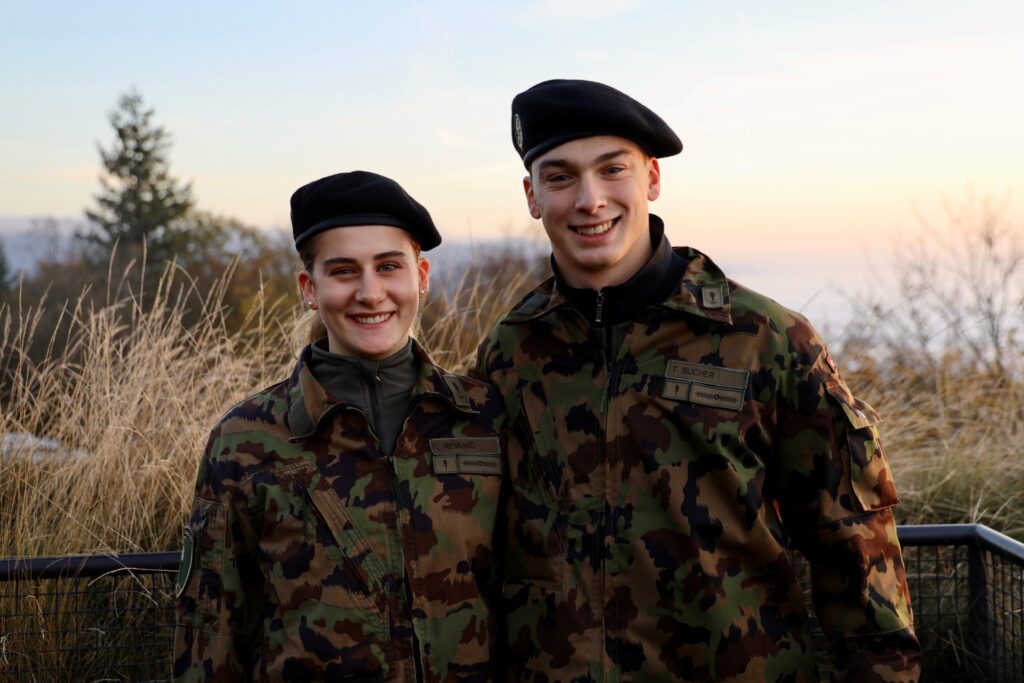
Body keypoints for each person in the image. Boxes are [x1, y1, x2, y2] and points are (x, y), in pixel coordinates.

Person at [476, 79, 921, 682]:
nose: (590, 199)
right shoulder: (510, 351)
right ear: (532, 196)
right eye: (560, 177)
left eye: (612, 170)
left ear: (652, 178)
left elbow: (856, 553)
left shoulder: (764, 339)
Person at [173, 171, 508, 681]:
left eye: (389, 266)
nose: (371, 293)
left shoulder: (483, 418)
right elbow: (209, 637)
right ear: (310, 288)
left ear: (421, 277)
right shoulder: (246, 440)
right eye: (344, 271)